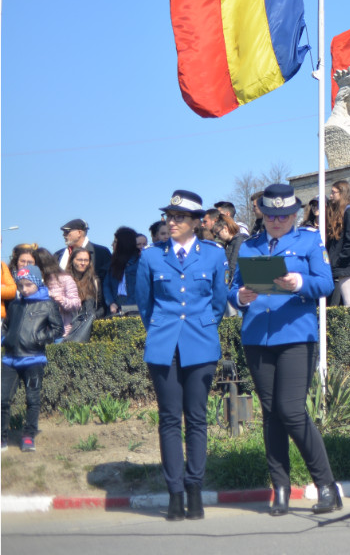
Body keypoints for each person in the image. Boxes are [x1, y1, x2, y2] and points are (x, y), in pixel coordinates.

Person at [230, 184, 342, 514]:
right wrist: (240, 298)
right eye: (271, 216)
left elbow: (326, 283)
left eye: (284, 215)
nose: (277, 221)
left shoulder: (309, 241)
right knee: (271, 414)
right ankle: (280, 487)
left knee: (292, 410)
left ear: (294, 215)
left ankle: (326, 485)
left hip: (295, 336)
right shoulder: (249, 246)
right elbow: (233, 288)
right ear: (262, 214)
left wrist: (300, 283)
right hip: (257, 337)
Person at [133, 190, 229, 521]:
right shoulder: (151, 257)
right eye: (169, 216)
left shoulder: (214, 255)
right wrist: (162, 329)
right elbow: (145, 304)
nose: (171, 222)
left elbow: (218, 302)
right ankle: (175, 493)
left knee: (197, 418)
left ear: (196, 222)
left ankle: (195, 489)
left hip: (201, 343)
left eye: (179, 217)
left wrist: (201, 328)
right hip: (163, 345)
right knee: (170, 419)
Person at [1, 265, 64, 452]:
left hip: (33, 360)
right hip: (10, 359)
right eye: (20, 285)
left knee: (32, 400)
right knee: (2, 399)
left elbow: (58, 329)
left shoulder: (48, 305)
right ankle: (2, 438)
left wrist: (39, 338)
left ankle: (28, 435)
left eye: (28, 285)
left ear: (38, 283)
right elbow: (6, 326)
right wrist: (5, 338)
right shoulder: (15, 305)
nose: (24, 289)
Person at [325, 179, 350, 307]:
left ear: (342, 193)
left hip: (347, 267)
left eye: (333, 192)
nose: (331, 196)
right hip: (342, 266)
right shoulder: (340, 212)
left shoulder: (349, 212)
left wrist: (339, 259)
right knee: (348, 304)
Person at [33, 248, 80, 338]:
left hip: (62, 330)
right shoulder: (32, 282)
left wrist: (61, 300)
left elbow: (76, 303)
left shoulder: (65, 279)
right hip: (38, 332)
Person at [56, 218, 112, 287]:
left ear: (79, 233)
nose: (64, 235)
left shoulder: (101, 252)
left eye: (67, 232)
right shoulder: (58, 255)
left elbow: (109, 279)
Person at [103, 227, 141, 317]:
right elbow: (106, 285)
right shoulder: (113, 264)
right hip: (116, 305)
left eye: (115, 242)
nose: (112, 244)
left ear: (124, 243)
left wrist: (129, 307)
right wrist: (111, 302)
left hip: (135, 307)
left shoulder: (140, 262)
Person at [69, 248, 102, 322]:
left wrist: (94, 316)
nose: (83, 263)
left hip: (90, 324)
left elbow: (101, 306)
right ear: (72, 260)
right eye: (79, 260)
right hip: (71, 324)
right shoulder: (65, 281)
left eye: (86, 260)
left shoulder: (94, 281)